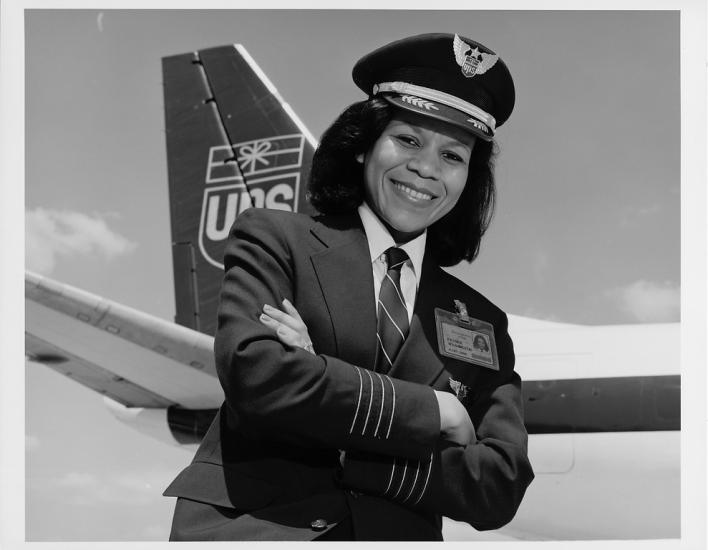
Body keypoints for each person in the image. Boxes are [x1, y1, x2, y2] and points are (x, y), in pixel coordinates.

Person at [164, 32, 533, 541]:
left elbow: (499, 488)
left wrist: (322, 392)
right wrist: (437, 413)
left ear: (468, 180)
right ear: (363, 147)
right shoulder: (276, 238)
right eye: (407, 140)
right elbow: (259, 375)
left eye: (453, 156)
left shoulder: (481, 319)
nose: (426, 169)